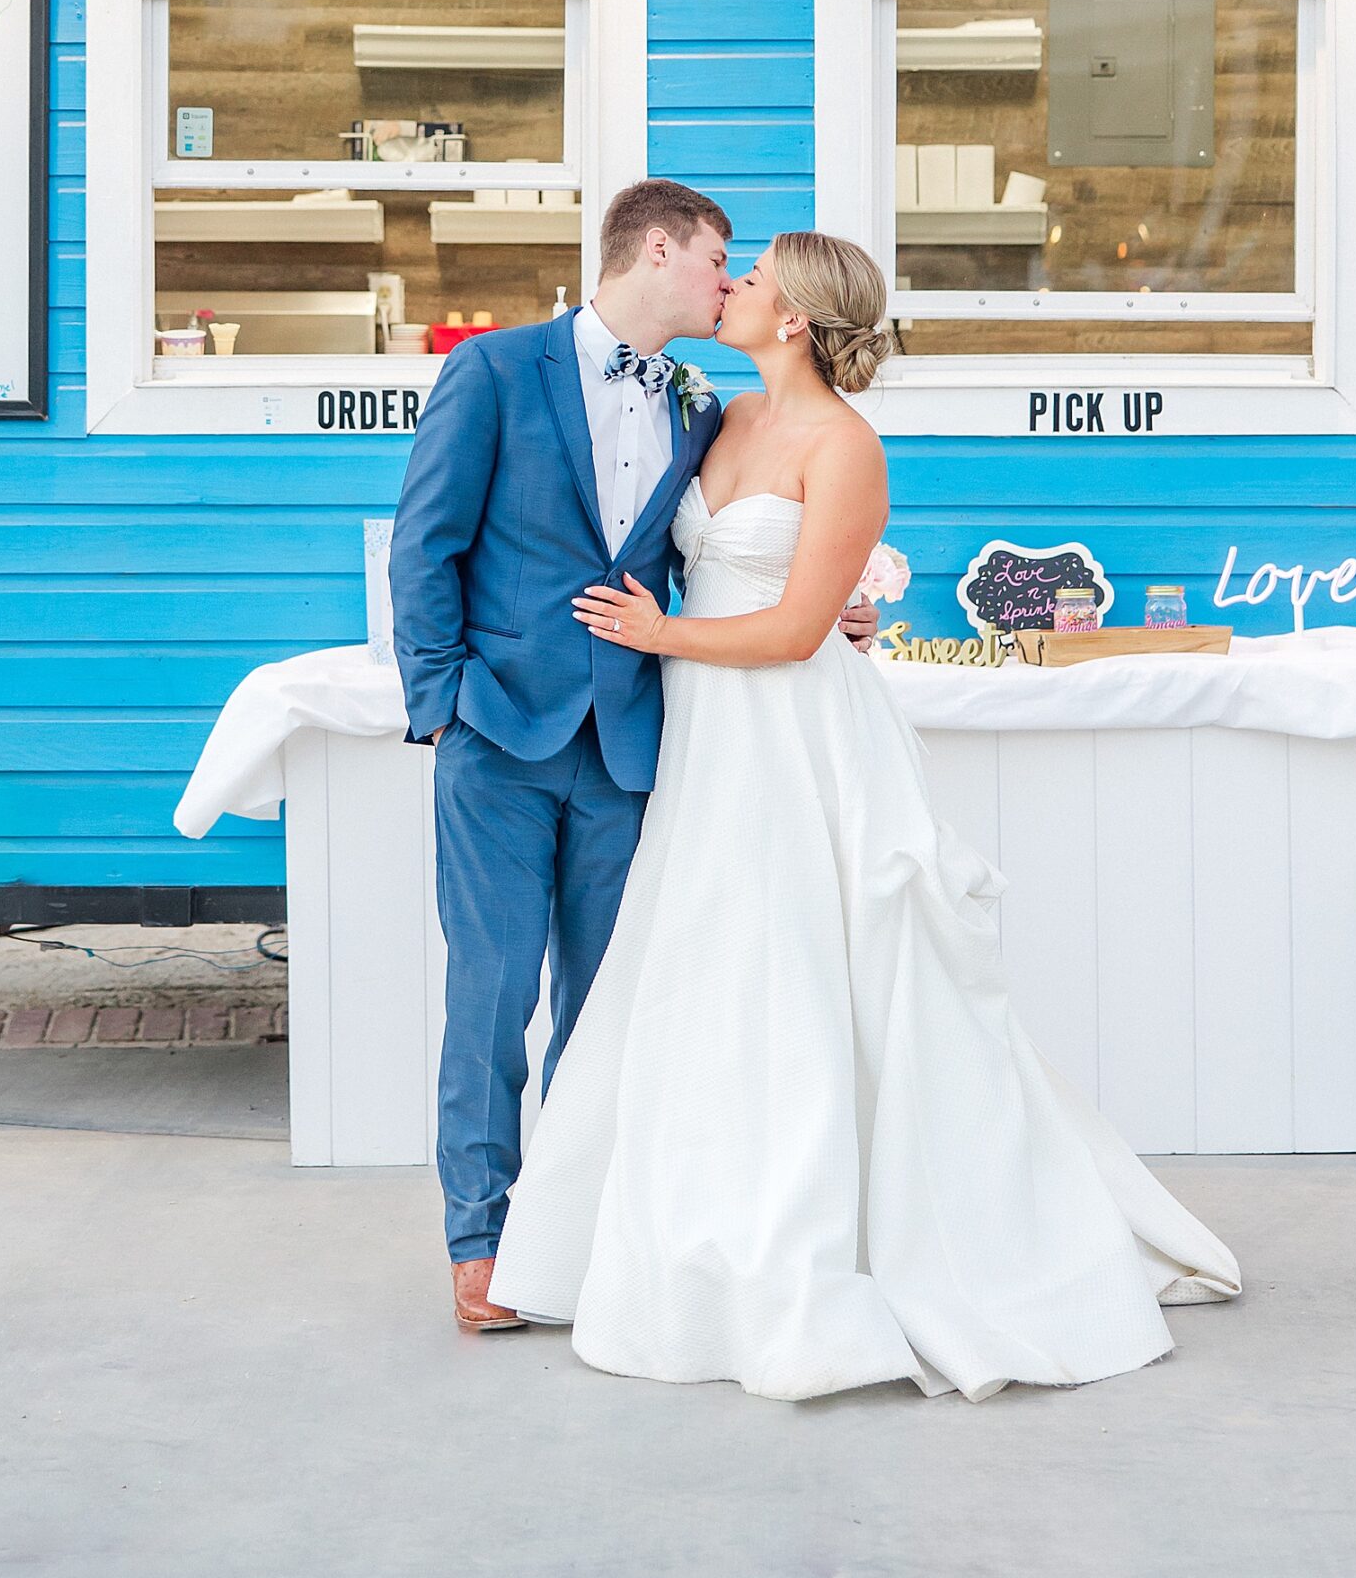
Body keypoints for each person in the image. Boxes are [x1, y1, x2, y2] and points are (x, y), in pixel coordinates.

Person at [489, 230, 1241, 1401]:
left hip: (795, 733)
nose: (726, 288)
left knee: (808, 965)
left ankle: (852, 1242)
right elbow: (749, 570)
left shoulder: (847, 445)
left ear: (793, 317)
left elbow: (794, 632)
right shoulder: (719, 419)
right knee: (707, 965)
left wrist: (663, 632)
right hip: (708, 739)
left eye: (748, 281)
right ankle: (684, 1237)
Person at [389, 182, 879, 1333]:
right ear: (657, 249)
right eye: (719, 258)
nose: (728, 280)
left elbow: (750, 539)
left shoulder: (706, 406)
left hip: (634, 742)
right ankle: (483, 1238)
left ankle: (581, 1228)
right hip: (499, 734)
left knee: (608, 1003)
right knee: (494, 988)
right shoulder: (497, 371)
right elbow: (426, 545)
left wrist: (842, 610)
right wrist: (441, 706)